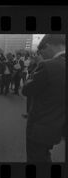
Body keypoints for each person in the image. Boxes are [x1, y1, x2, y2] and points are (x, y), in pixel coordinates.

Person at [22, 34, 66, 162]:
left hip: (40, 127)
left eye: (41, 52)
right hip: (58, 125)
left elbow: (26, 90)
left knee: (36, 159)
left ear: (47, 46)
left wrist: (36, 67)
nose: (42, 56)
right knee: (43, 156)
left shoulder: (48, 65)